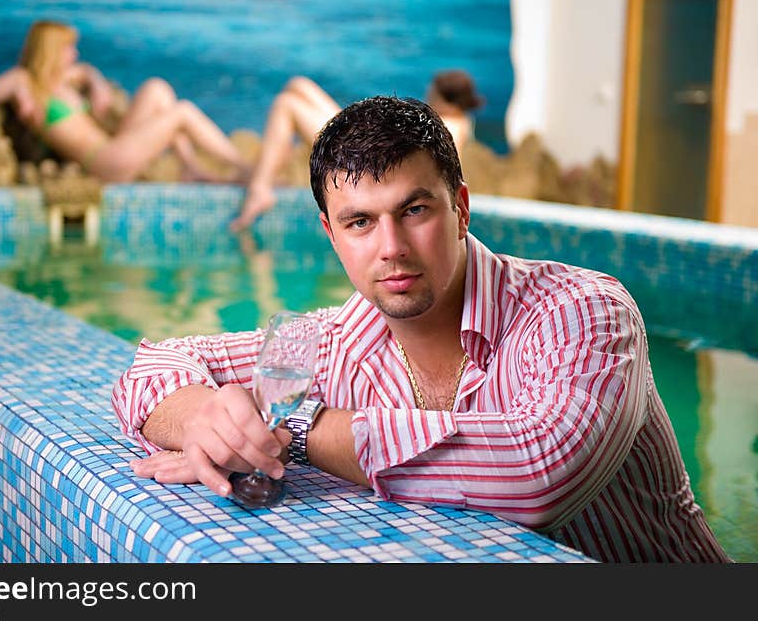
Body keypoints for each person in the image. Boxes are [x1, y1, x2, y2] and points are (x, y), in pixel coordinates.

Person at [112, 96, 730, 563]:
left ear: (459, 207)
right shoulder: (332, 341)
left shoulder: (582, 311)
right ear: (331, 235)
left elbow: (539, 473)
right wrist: (203, 420)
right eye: (359, 222)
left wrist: (291, 430)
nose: (391, 249)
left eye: (414, 211)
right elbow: (155, 366)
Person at [0, 20, 249, 183]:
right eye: (68, 48)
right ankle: (243, 167)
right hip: (102, 162)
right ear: (50, 51)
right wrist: (18, 91)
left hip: (111, 146)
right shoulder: (23, 80)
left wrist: (95, 83)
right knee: (183, 112)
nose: (74, 54)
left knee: (157, 89)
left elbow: (84, 71)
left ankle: (189, 167)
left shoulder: (60, 80)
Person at [229, 70, 484, 231]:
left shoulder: (449, 126)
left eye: (433, 92)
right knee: (298, 85)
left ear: (443, 98)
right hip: (373, 145)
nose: (428, 95)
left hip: (367, 161)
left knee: (287, 105)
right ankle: (272, 164)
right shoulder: (455, 119)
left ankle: (261, 187)